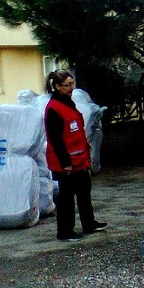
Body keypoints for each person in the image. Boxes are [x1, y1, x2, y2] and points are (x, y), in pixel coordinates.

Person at [44, 70, 107, 242]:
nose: (71, 87)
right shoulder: (54, 108)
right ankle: (65, 231)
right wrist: (66, 163)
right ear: (57, 87)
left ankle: (89, 223)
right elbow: (56, 139)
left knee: (84, 191)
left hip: (79, 159)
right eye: (67, 85)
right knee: (66, 197)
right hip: (65, 162)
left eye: (72, 84)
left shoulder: (68, 103)